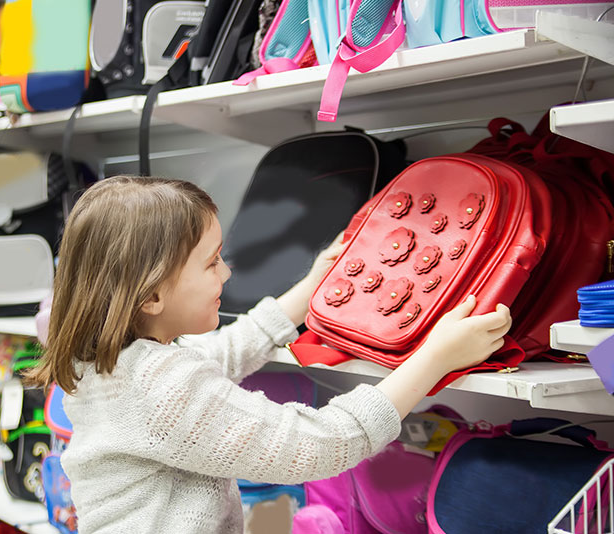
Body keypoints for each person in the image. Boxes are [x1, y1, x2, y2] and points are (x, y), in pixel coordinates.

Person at [26, 176, 512, 534]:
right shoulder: (159, 383)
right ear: (150, 296)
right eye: (211, 262)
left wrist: (310, 287)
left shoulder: (109, 365)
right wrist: (433, 358)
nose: (227, 273)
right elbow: (319, 443)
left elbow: (224, 351)